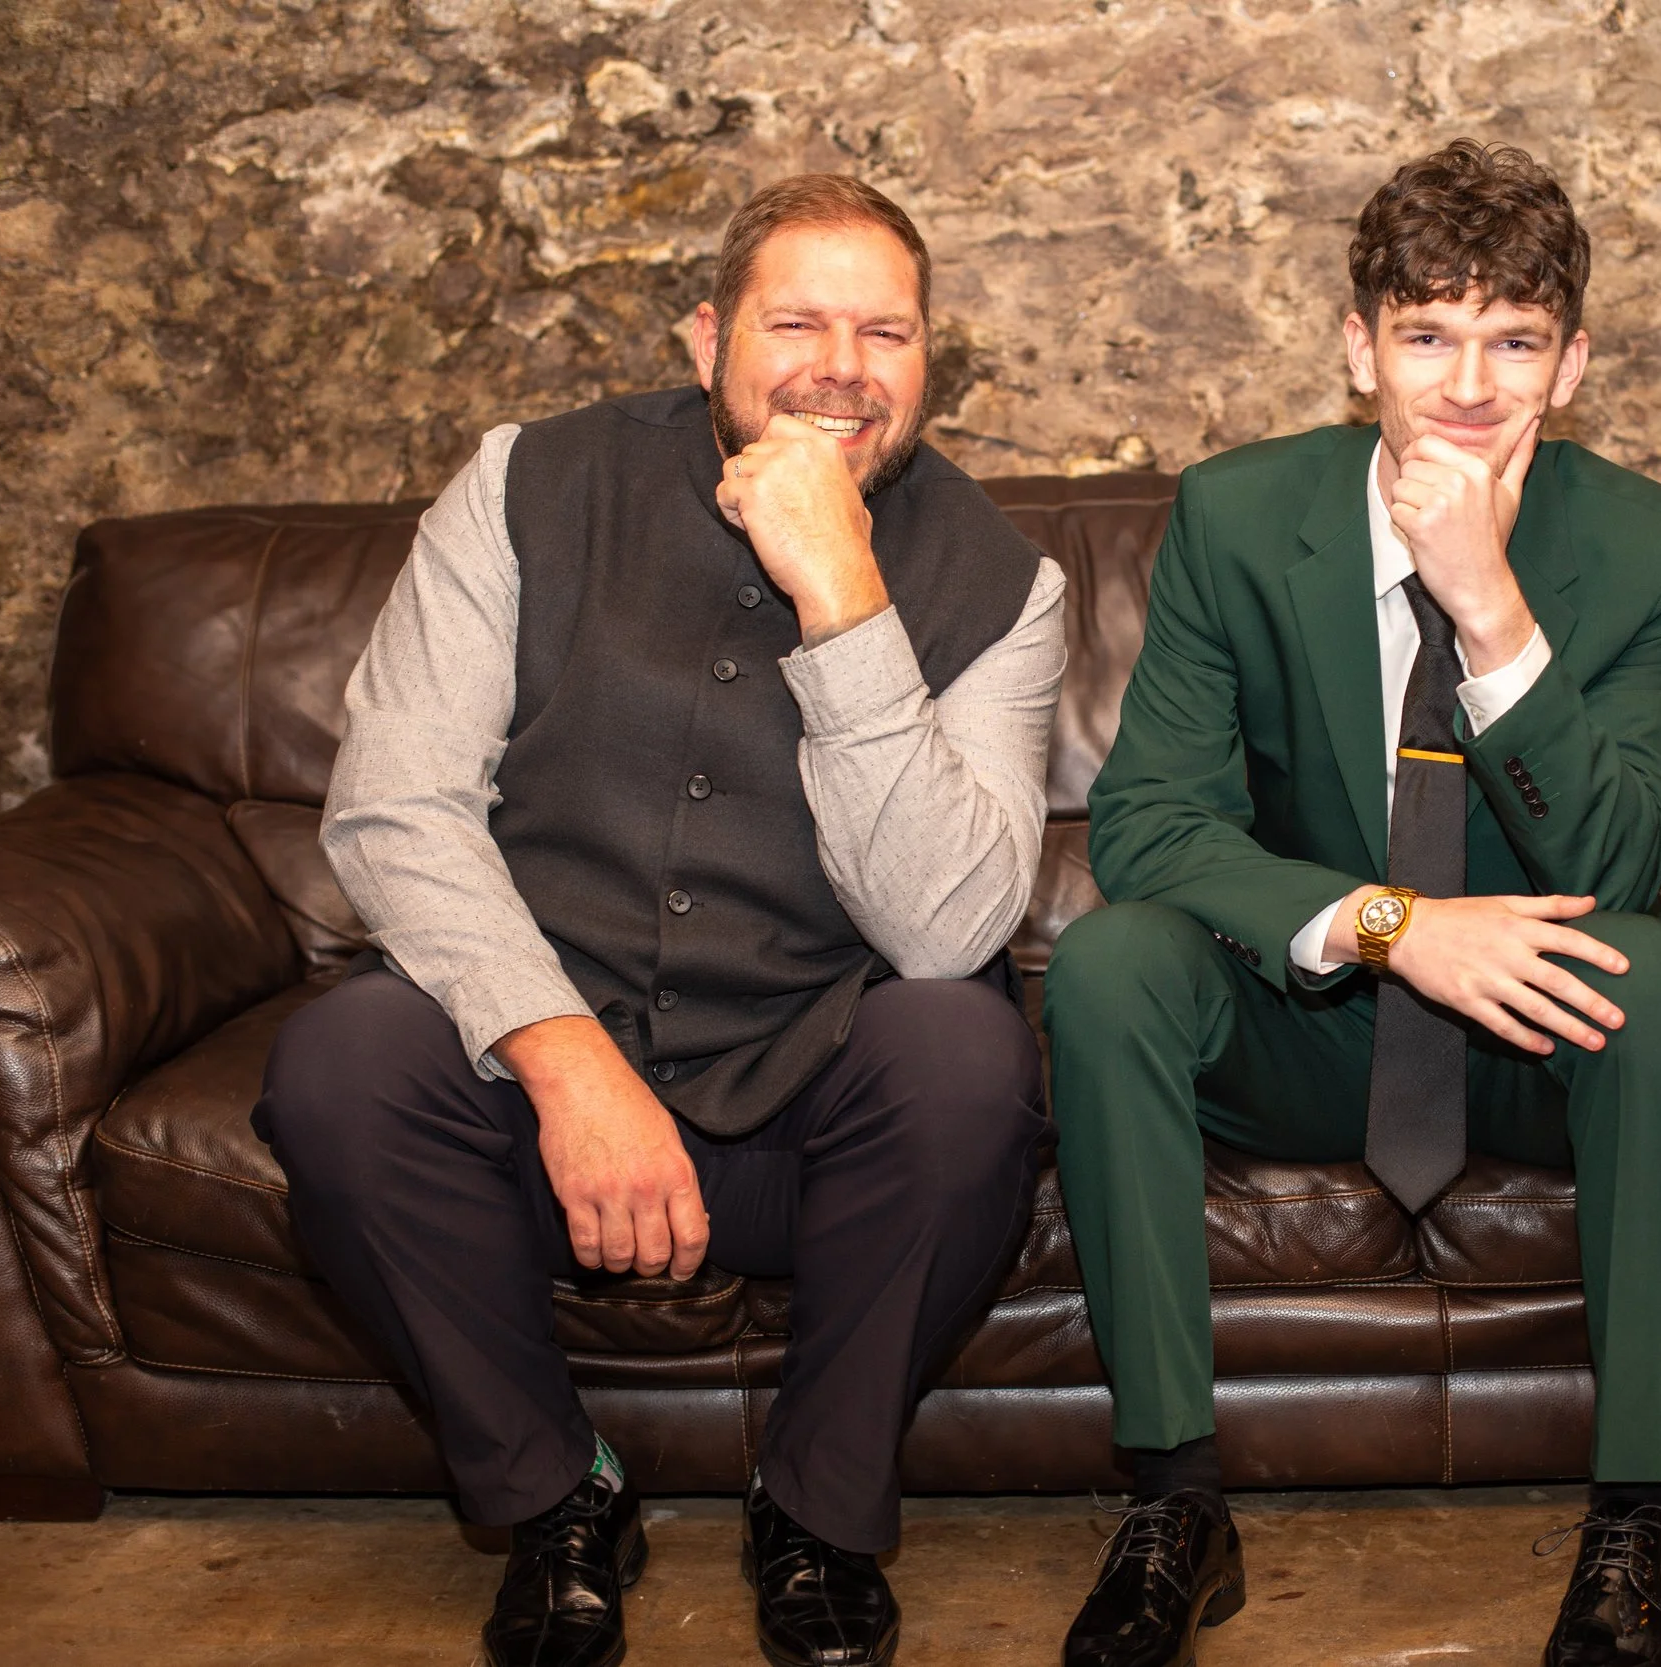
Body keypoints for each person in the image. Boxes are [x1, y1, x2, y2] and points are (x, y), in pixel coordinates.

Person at [252, 172, 1064, 1667]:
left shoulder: (1010, 586)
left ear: (928, 361)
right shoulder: (524, 481)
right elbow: (394, 804)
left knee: (967, 1051)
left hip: (804, 1109)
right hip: (536, 1100)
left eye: (885, 333)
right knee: (341, 1063)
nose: (842, 367)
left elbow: (947, 929)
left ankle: (813, 1509)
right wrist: (567, 1064)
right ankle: (559, 1496)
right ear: (708, 340)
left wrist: (844, 595)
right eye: (796, 323)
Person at [1042, 139, 1661, 1667]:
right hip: (1318, 1016)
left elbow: (1620, 863)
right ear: (1360, 351)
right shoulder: (1236, 516)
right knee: (1107, 966)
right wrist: (1394, 923)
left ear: (1572, 366)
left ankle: (1634, 1519)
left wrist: (1488, 604)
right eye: (1428, 336)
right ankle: (1173, 1499)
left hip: (1527, 1037)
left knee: (1656, 978)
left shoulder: (1646, 544)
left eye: (1514, 343)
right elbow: (1149, 822)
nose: (1469, 387)